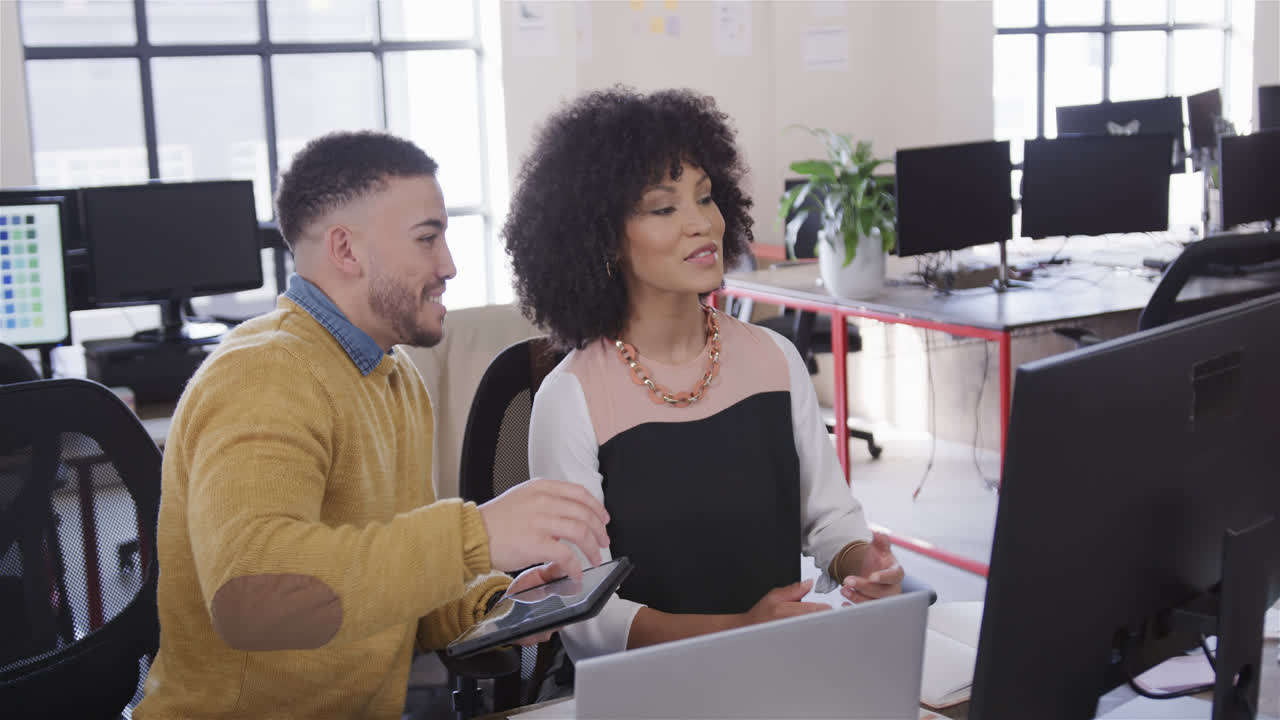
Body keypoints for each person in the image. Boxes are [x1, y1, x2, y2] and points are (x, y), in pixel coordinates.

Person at [135, 131, 610, 719]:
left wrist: (493, 606)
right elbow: (252, 599)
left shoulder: (394, 376)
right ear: (347, 250)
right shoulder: (262, 375)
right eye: (427, 238)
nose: (449, 265)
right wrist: (474, 535)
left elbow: (383, 591)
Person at [502, 88, 904, 662]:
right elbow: (585, 619)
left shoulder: (775, 359)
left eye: (706, 198)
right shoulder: (573, 396)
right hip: (649, 691)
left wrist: (863, 563)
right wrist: (736, 630)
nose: (701, 224)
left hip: (778, 670)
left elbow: (832, 520)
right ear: (603, 238)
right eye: (664, 208)